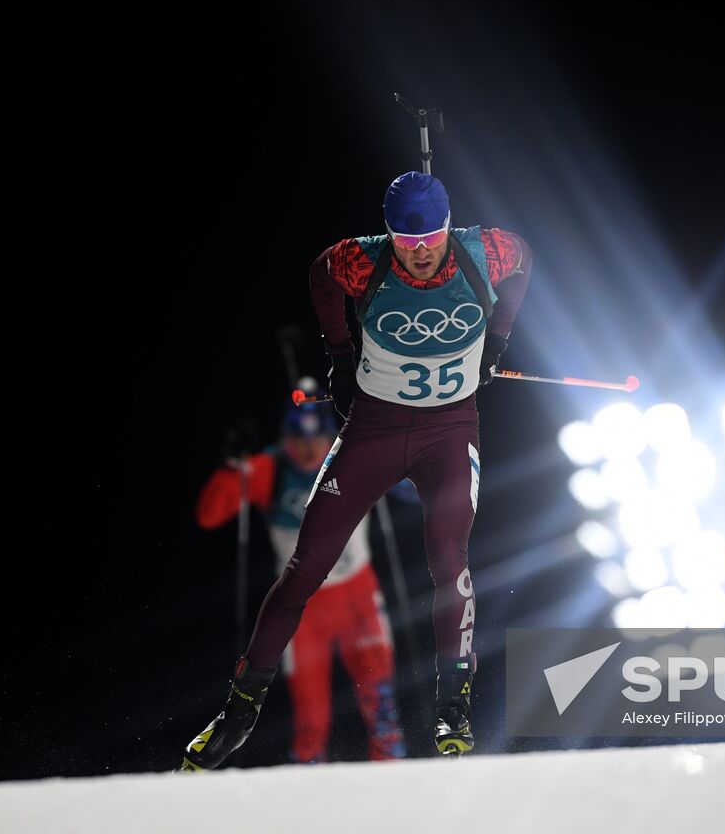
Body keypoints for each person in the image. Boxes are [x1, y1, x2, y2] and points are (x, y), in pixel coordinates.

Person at [181, 170, 531, 770]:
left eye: (429, 241)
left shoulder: (486, 250)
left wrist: (498, 338)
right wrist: (339, 353)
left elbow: (524, 258)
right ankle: (239, 708)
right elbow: (320, 273)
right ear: (389, 234)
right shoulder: (365, 263)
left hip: (448, 435)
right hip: (373, 431)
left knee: (449, 558)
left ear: (448, 229)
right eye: (404, 241)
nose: (418, 255)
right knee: (304, 567)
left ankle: (454, 704)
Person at [194, 397, 406, 763]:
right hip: (303, 612)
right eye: (298, 439)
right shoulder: (269, 469)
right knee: (312, 720)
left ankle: (396, 790)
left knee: (382, 708)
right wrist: (231, 466)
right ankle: (308, 798)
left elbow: (415, 484)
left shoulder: (352, 456)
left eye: (317, 438)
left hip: (358, 599)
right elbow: (209, 516)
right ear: (284, 439)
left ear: (332, 436)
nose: (308, 450)